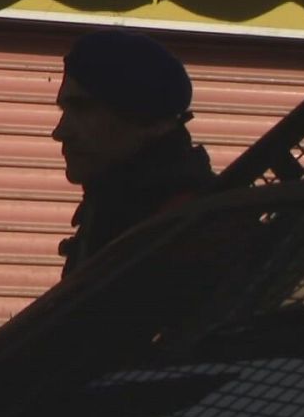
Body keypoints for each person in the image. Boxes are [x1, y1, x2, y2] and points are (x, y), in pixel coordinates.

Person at [51, 30, 215, 277]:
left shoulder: (191, 226)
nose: (60, 132)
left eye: (83, 108)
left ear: (149, 120)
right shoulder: (113, 209)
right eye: (65, 110)